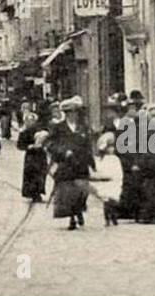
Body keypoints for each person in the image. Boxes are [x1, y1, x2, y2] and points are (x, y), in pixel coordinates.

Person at [46, 96, 96, 229]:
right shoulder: (58, 128)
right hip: (66, 164)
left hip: (81, 163)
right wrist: (63, 152)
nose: (73, 115)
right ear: (66, 114)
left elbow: (88, 146)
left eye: (75, 113)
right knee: (69, 192)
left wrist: (92, 163)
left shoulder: (83, 127)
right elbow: (50, 144)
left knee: (82, 191)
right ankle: (72, 217)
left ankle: (79, 210)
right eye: (70, 113)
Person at [15, 112, 49, 202]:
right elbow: (19, 145)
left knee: (41, 173)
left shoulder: (41, 130)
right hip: (31, 156)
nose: (30, 122)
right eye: (28, 120)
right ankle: (32, 192)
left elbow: (48, 140)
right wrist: (28, 147)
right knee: (31, 173)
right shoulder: (24, 132)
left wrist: (44, 145)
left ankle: (39, 191)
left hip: (41, 154)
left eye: (32, 120)